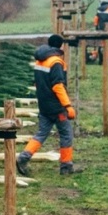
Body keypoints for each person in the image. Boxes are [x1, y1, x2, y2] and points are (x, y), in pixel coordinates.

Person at [15, 34, 79, 176]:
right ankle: (66, 166)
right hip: (56, 107)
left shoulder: (40, 60)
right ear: (61, 45)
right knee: (66, 134)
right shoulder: (56, 62)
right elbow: (57, 86)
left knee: (42, 133)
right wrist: (67, 106)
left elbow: (38, 82)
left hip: (43, 105)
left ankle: (23, 158)